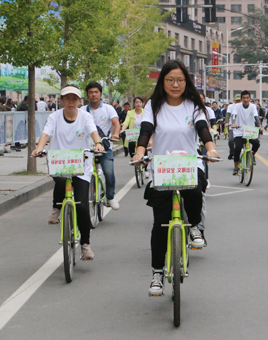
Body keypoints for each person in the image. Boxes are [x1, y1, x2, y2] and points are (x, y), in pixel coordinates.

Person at [131, 60, 218, 296]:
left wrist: (210, 148)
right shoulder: (154, 106)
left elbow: (203, 129)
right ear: (163, 82)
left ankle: (194, 228)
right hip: (161, 166)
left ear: (186, 82)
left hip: (189, 163)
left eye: (180, 80)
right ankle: (157, 273)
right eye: (170, 80)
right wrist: (140, 153)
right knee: (160, 223)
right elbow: (145, 131)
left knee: (195, 188)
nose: (175, 84)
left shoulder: (194, 105)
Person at [32, 85, 104, 260]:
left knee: (82, 206)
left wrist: (98, 143)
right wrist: (39, 149)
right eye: (67, 99)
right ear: (62, 100)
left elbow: (93, 132)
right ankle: (57, 206)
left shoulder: (85, 116)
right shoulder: (54, 117)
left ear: (79, 101)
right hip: (60, 162)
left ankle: (85, 244)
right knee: (61, 181)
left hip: (81, 166)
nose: (71, 102)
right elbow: (45, 134)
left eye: (74, 99)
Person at [85, 81, 121, 210]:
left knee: (109, 172)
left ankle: (110, 197)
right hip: (87, 148)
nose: (93, 95)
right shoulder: (82, 110)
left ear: (100, 94)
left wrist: (116, 134)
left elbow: (116, 124)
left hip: (105, 147)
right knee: (81, 175)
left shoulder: (108, 108)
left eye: (96, 92)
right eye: (91, 92)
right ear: (87, 95)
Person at [232, 90, 262, 175]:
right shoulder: (237, 106)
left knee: (257, 143)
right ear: (241, 99)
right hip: (239, 131)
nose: (245, 99)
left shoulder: (253, 106)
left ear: (250, 98)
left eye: (247, 98)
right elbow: (234, 115)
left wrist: (259, 125)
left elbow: (256, 117)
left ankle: (252, 156)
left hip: (250, 131)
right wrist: (233, 123)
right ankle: (236, 167)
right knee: (237, 148)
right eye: (244, 98)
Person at [226, 95, 241, 160]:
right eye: (236, 100)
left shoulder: (244, 106)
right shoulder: (230, 106)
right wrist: (226, 122)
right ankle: (232, 152)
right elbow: (228, 114)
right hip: (233, 127)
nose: (238, 102)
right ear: (234, 100)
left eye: (239, 100)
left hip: (242, 127)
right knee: (231, 141)